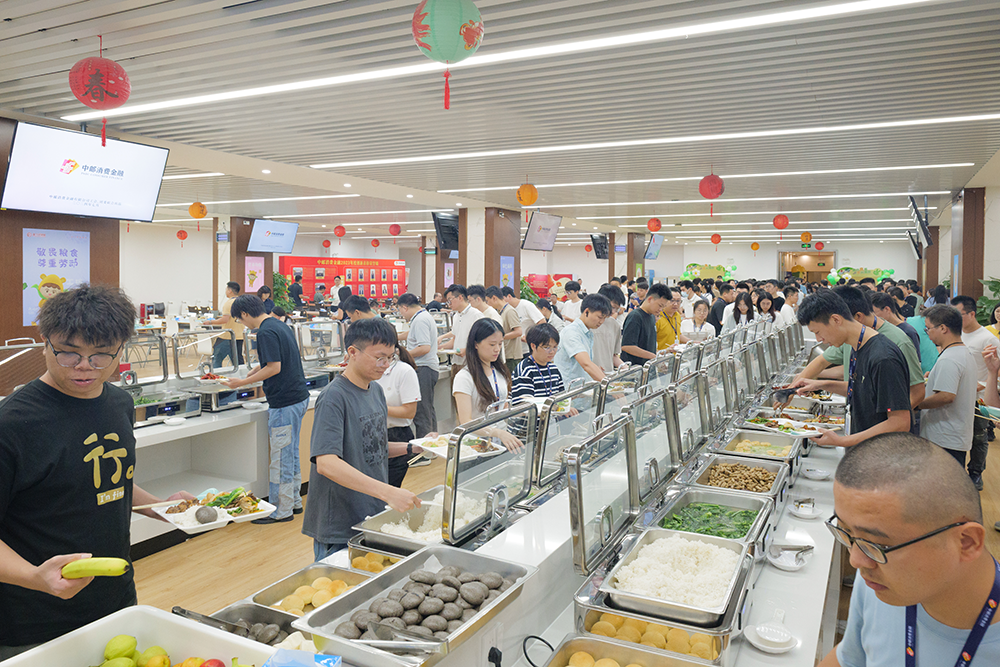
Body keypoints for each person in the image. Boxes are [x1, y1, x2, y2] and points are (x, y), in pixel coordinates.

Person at [0, 285, 193, 655]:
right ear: (45, 343)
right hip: (33, 619)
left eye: (101, 354)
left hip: (116, 597)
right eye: (69, 353)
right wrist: (34, 577)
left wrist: (162, 508)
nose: (85, 366)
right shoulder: (13, 424)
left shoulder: (118, 403)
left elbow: (106, 479)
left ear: (120, 349)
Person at [818, 432, 1000, 667]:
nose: (856, 561)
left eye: (878, 544)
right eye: (847, 533)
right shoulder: (876, 582)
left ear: (966, 542)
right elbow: (849, 658)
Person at [302, 318, 421, 560]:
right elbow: (326, 463)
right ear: (353, 352)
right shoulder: (334, 397)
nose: (385, 365)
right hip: (339, 523)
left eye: (390, 358)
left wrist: (412, 447)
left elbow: (372, 446)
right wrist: (388, 492)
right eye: (379, 358)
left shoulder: (375, 390)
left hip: (370, 514)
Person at [224, 295, 310, 523]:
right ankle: (294, 502)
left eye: (240, 319)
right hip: (298, 397)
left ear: (244, 314)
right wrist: (253, 372)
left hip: (284, 402)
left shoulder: (264, 332)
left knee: (281, 458)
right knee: (290, 454)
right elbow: (275, 361)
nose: (243, 324)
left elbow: (274, 367)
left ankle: (281, 511)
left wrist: (241, 383)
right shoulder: (278, 325)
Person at [787, 290, 911, 446]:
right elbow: (863, 390)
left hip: (881, 453)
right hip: (862, 447)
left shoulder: (883, 358)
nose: (819, 339)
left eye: (817, 332)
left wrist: (842, 441)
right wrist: (821, 384)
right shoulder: (856, 346)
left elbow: (900, 422)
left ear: (835, 320)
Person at [816, 287, 926, 422]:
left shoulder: (892, 346)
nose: (819, 339)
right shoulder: (851, 340)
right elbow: (859, 386)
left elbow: (917, 392)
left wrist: (887, 421)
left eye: (819, 332)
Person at [916, 305, 978, 467]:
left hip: (944, 436)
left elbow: (946, 396)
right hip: (954, 435)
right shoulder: (963, 352)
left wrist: (916, 404)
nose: (927, 333)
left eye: (928, 328)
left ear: (943, 328)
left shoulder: (950, 358)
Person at [451, 320, 524, 451]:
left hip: (500, 443)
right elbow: (465, 421)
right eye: (492, 344)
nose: (497, 349)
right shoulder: (464, 377)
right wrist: (496, 432)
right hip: (476, 445)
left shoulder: (500, 372)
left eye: (500, 344)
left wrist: (522, 412)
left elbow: (502, 407)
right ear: (476, 344)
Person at [952, 295, 997, 491]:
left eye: (958, 315)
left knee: (978, 436)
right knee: (957, 434)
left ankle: (976, 472)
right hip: (956, 395)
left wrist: (981, 384)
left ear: (971, 314)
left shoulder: (988, 338)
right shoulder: (956, 334)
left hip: (981, 398)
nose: (954, 319)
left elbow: (996, 371)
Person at [377, 341, 423, 488]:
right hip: (372, 432)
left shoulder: (404, 371)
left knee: (389, 488)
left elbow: (409, 412)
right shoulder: (367, 371)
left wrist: (378, 408)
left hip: (396, 434)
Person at [396, 294, 439, 438]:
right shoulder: (421, 317)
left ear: (404, 307)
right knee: (428, 410)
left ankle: (423, 446)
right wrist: (395, 337)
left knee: (421, 411)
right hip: (426, 368)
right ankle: (431, 443)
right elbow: (412, 334)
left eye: (400, 310)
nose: (402, 315)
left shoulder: (420, 320)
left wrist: (403, 354)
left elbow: (424, 347)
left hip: (423, 368)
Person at [553, 294, 612, 385]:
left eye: (604, 318)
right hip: (571, 389)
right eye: (600, 317)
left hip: (582, 387)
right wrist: (609, 385)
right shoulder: (572, 332)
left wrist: (596, 370)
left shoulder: (587, 333)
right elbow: (586, 364)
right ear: (586, 312)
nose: (601, 322)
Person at [512, 323, 566, 400]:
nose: (552, 352)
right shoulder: (525, 370)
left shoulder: (553, 368)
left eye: (555, 347)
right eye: (547, 347)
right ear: (533, 346)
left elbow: (561, 397)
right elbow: (525, 404)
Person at [621, 283, 671, 366]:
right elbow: (627, 346)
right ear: (650, 299)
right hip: (635, 369)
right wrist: (653, 357)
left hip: (647, 368)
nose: (661, 309)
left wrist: (664, 352)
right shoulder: (635, 316)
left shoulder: (651, 316)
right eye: (660, 305)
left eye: (663, 307)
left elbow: (648, 346)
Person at [437, 285, 482, 369]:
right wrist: (439, 348)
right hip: (456, 362)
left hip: (471, 363)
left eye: (450, 300)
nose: (449, 304)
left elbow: (482, 341)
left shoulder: (476, 315)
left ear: (460, 297)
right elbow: (454, 340)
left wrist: (466, 350)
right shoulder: (456, 316)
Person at [868, 291, 921, 361]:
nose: (873, 318)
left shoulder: (908, 331)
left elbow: (914, 361)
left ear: (887, 309)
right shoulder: (878, 329)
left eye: (874, 314)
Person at [206, 281, 245, 368]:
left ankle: (215, 374)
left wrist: (210, 322)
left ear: (230, 290)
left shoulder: (229, 303)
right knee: (237, 360)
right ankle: (242, 374)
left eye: (226, 289)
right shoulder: (242, 302)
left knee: (217, 357)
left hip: (227, 336)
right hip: (239, 335)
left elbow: (225, 319)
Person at [486, 286, 522, 373]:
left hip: (512, 356)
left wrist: (500, 337)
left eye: (487, 301)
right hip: (506, 354)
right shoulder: (500, 312)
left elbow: (518, 332)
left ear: (494, 298)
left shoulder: (509, 311)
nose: (487, 304)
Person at [503, 287, 545, 357]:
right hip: (515, 351)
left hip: (527, 349)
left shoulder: (526, 305)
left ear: (509, 296)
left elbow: (542, 322)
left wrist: (530, 337)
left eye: (502, 299)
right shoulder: (507, 310)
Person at [593, 284, 625, 373]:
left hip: (608, 376)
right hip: (591, 377)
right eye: (612, 307)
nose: (613, 311)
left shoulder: (614, 325)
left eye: (616, 309)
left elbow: (613, 356)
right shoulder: (588, 324)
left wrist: (627, 369)